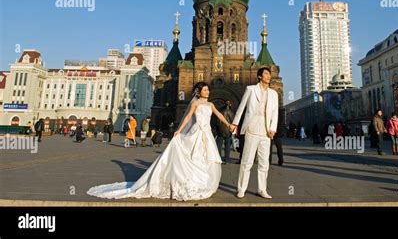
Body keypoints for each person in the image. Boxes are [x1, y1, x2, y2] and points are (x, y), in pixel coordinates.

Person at [87, 82, 235, 201]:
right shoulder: (195, 104)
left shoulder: (211, 105)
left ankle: (204, 183)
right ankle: (191, 182)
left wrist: (229, 124)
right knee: (193, 156)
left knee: (207, 158)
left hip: (207, 133)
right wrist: (179, 130)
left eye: (208, 90)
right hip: (196, 131)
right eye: (205, 90)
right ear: (199, 92)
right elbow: (189, 117)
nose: (207, 92)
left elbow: (219, 116)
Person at [232, 67, 279, 199]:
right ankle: (241, 189)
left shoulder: (273, 94)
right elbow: (241, 107)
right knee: (247, 161)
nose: (268, 76)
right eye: (266, 74)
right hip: (251, 128)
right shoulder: (250, 89)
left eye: (269, 74)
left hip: (266, 131)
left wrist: (272, 129)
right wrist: (235, 124)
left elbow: (275, 113)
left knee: (264, 162)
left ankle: (262, 189)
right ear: (259, 76)